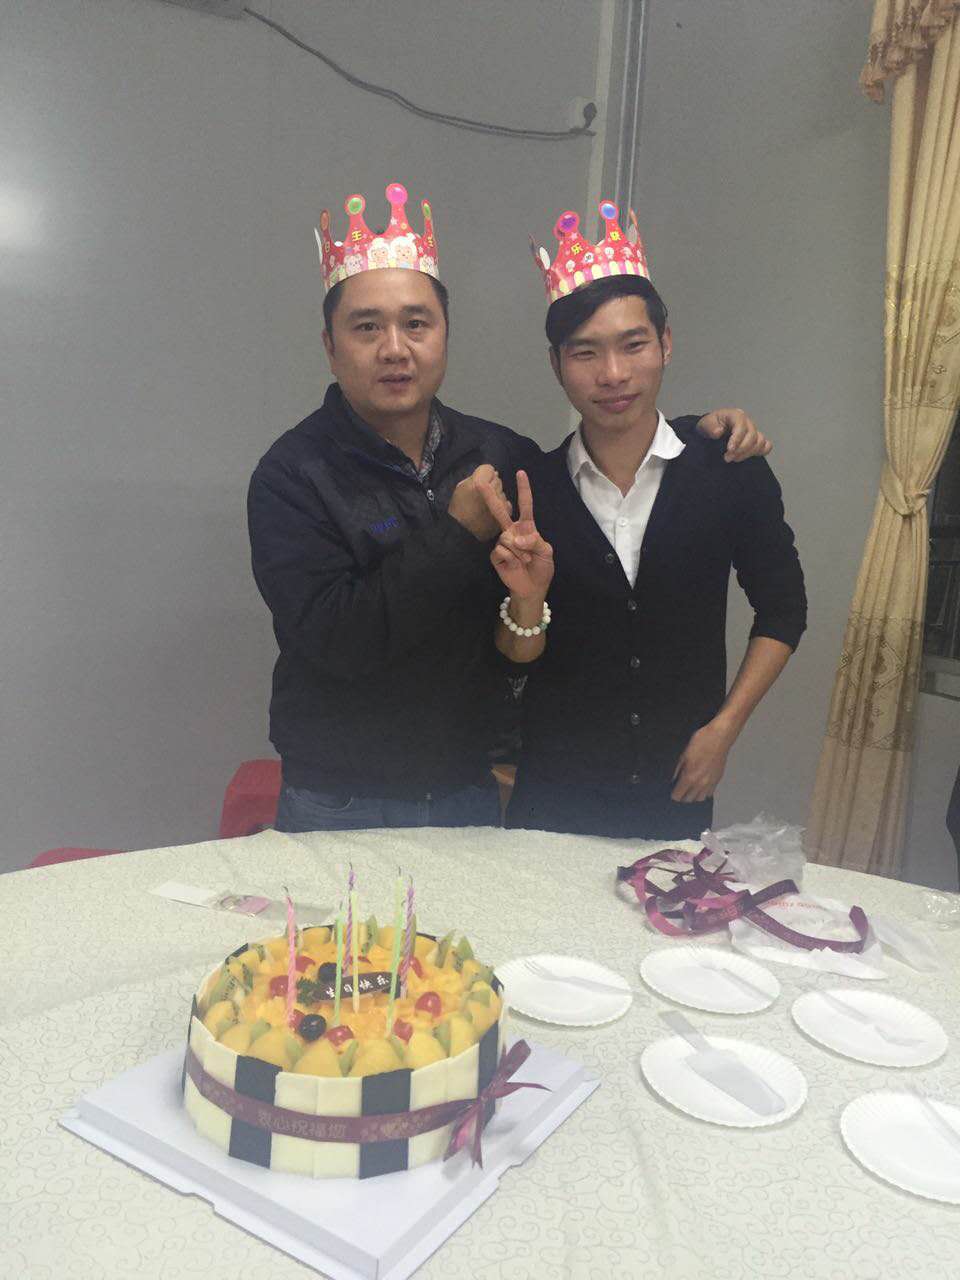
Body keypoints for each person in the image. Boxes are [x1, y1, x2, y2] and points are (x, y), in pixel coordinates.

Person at [248, 184, 774, 833]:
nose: (395, 348)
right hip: (341, 795)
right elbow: (337, 642)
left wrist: (695, 434)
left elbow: (595, 481)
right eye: (367, 328)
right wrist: (455, 532)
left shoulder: (500, 454)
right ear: (331, 346)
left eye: (416, 323)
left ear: (445, 335)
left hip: (469, 789)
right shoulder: (294, 475)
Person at [481, 200, 807, 840]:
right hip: (554, 794)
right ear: (556, 364)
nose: (613, 375)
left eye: (633, 345)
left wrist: (723, 731)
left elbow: (784, 610)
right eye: (585, 353)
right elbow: (514, 659)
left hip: (678, 786)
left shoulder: (726, 468)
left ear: (666, 343)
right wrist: (528, 603)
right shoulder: (530, 492)